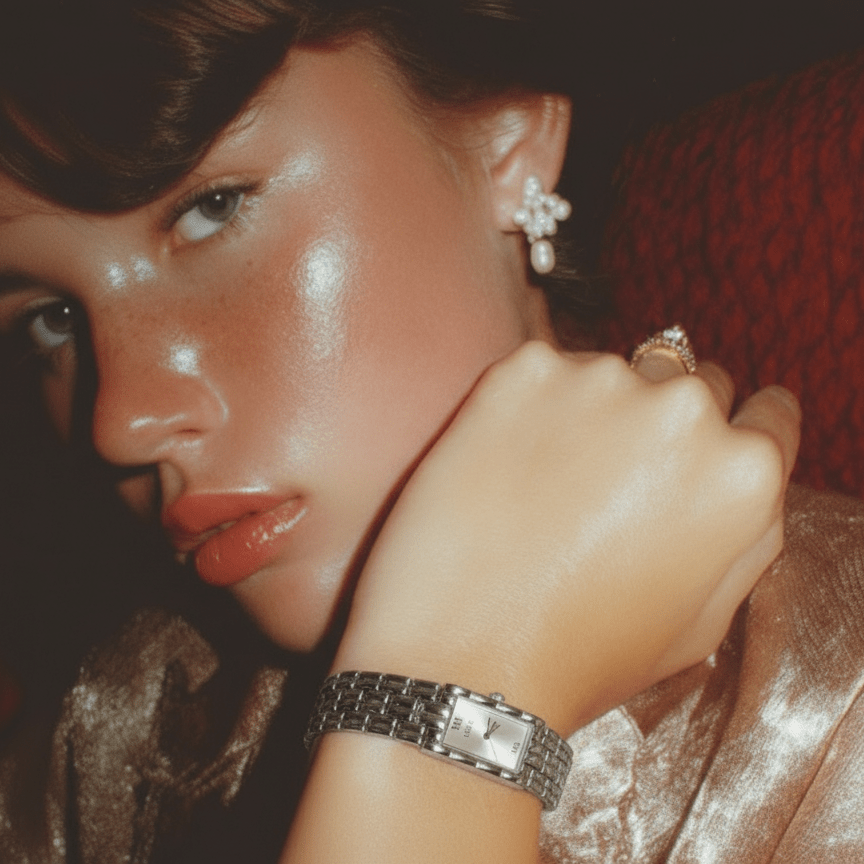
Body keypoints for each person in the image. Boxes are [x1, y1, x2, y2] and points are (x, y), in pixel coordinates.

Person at [0, 2, 858, 862]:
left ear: (509, 149)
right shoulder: (128, 715)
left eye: (213, 208)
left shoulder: (834, 718)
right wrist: (464, 682)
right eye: (51, 319)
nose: (121, 424)